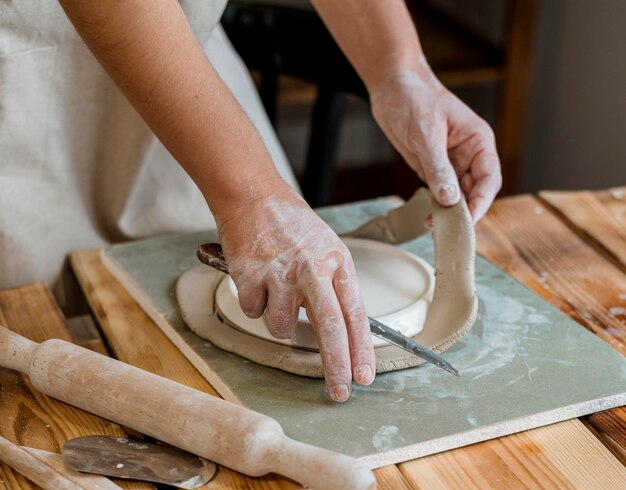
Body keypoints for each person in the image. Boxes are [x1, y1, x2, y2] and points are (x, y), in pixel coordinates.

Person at [0, 0, 501, 402]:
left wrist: (399, 70)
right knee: (46, 353)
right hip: (23, 92)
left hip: (189, 80)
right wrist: (251, 194)